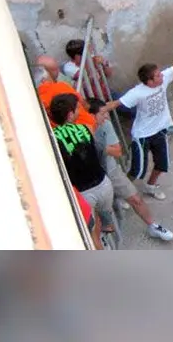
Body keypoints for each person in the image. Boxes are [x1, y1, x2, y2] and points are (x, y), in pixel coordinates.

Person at [98, 31, 173, 200]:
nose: (161, 75)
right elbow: (116, 103)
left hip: (160, 131)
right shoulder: (137, 92)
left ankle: (150, 186)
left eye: (159, 73)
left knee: (162, 165)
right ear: (149, 81)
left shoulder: (162, 80)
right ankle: (121, 194)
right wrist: (98, 112)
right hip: (142, 135)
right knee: (137, 171)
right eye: (157, 75)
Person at [86, 98, 173, 241]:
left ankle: (153, 226)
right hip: (93, 176)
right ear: (90, 115)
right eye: (102, 113)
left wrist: (95, 146)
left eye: (106, 112)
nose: (107, 117)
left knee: (135, 198)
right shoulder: (80, 131)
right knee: (97, 213)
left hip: (111, 169)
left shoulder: (105, 125)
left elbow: (117, 151)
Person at [48, 93, 117, 241]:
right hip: (103, 183)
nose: (80, 111)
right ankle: (108, 228)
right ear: (70, 114)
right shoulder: (86, 128)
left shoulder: (52, 138)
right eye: (77, 109)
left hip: (82, 193)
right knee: (106, 218)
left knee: (92, 231)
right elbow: (99, 152)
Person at [34, 57, 97, 129]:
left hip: (64, 133)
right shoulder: (60, 86)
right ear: (44, 79)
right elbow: (84, 104)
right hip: (86, 127)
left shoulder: (35, 100)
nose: (57, 72)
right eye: (53, 70)